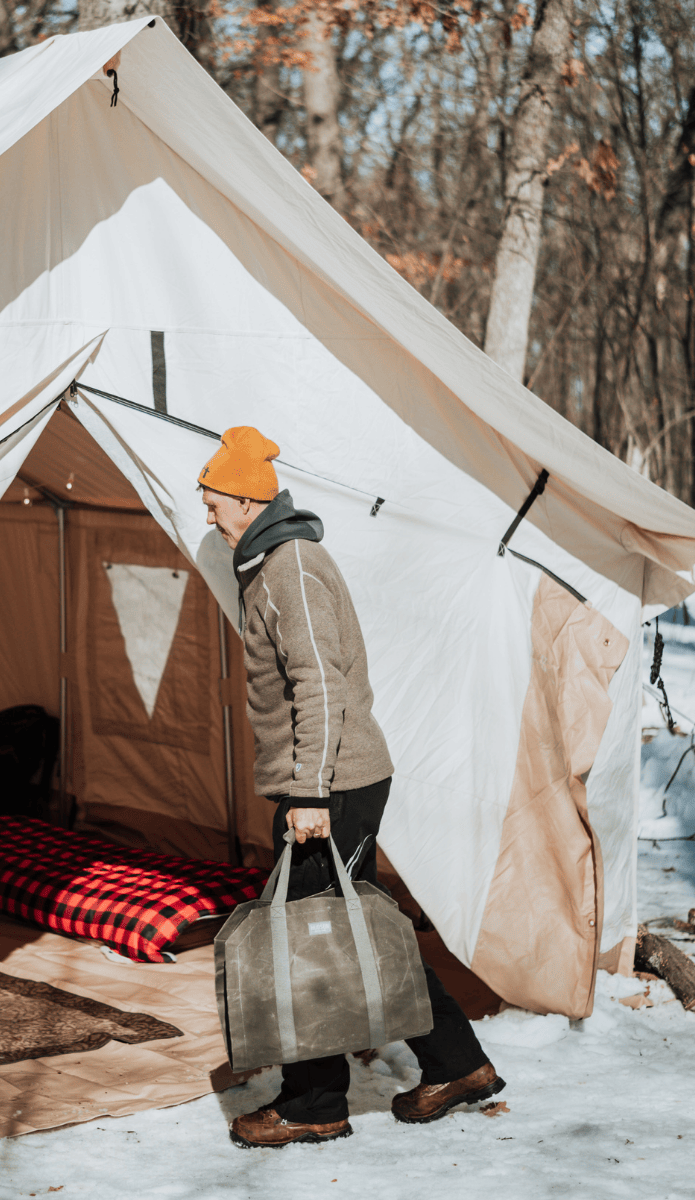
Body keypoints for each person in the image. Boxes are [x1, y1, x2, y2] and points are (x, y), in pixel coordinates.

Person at [198, 426, 504, 1150]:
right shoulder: (268, 563)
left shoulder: (291, 568)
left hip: (335, 784)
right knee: (350, 928)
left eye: (213, 502)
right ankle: (458, 1065)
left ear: (246, 501)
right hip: (325, 783)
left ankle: (314, 1105)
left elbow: (321, 687)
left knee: (308, 942)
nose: (207, 514)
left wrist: (309, 795)